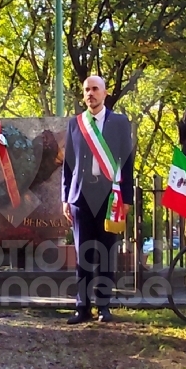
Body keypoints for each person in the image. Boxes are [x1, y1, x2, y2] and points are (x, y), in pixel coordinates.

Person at [63, 76, 136, 324]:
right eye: (87, 90)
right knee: (83, 254)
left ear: (105, 93)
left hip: (110, 197)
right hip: (81, 197)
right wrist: (65, 198)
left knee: (106, 252)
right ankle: (81, 307)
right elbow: (68, 165)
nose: (90, 94)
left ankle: (104, 306)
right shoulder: (76, 124)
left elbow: (127, 162)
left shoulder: (119, 123)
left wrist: (127, 197)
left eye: (95, 89)